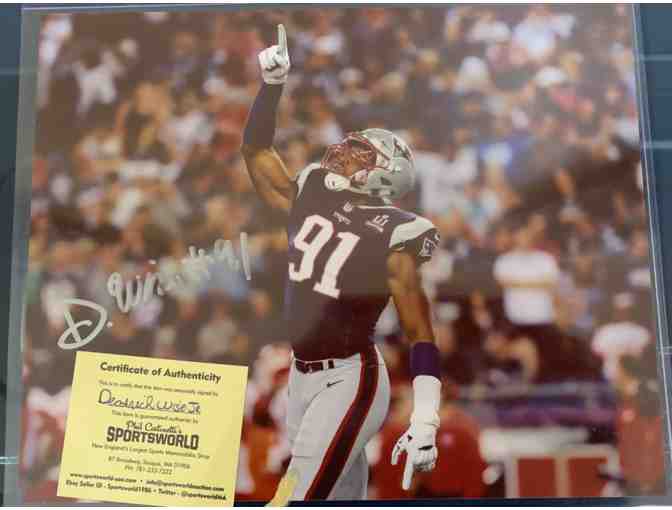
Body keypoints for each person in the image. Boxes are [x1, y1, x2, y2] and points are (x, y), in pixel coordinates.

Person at [240, 25, 442, 501]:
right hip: (300, 377)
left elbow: (419, 330)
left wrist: (426, 417)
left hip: (350, 378)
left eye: (361, 152)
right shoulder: (313, 189)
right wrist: (271, 88)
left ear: (381, 176)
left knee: (294, 498)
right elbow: (256, 151)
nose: (345, 150)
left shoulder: (397, 232)